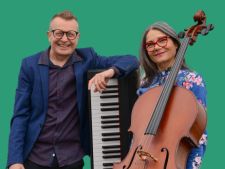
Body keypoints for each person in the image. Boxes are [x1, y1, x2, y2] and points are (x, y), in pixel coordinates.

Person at [7, 10, 139, 169]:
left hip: (71, 158)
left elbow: (131, 60)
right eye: (59, 33)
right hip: (36, 157)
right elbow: (21, 115)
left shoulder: (88, 58)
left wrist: (110, 72)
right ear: (49, 35)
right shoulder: (29, 66)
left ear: (77, 37)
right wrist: (15, 160)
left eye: (70, 34)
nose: (64, 39)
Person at [137, 22, 207, 169]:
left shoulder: (192, 80)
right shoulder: (145, 82)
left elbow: (198, 136)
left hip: (171, 162)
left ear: (176, 43)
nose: (156, 47)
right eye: (150, 44)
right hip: (142, 158)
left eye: (162, 40)